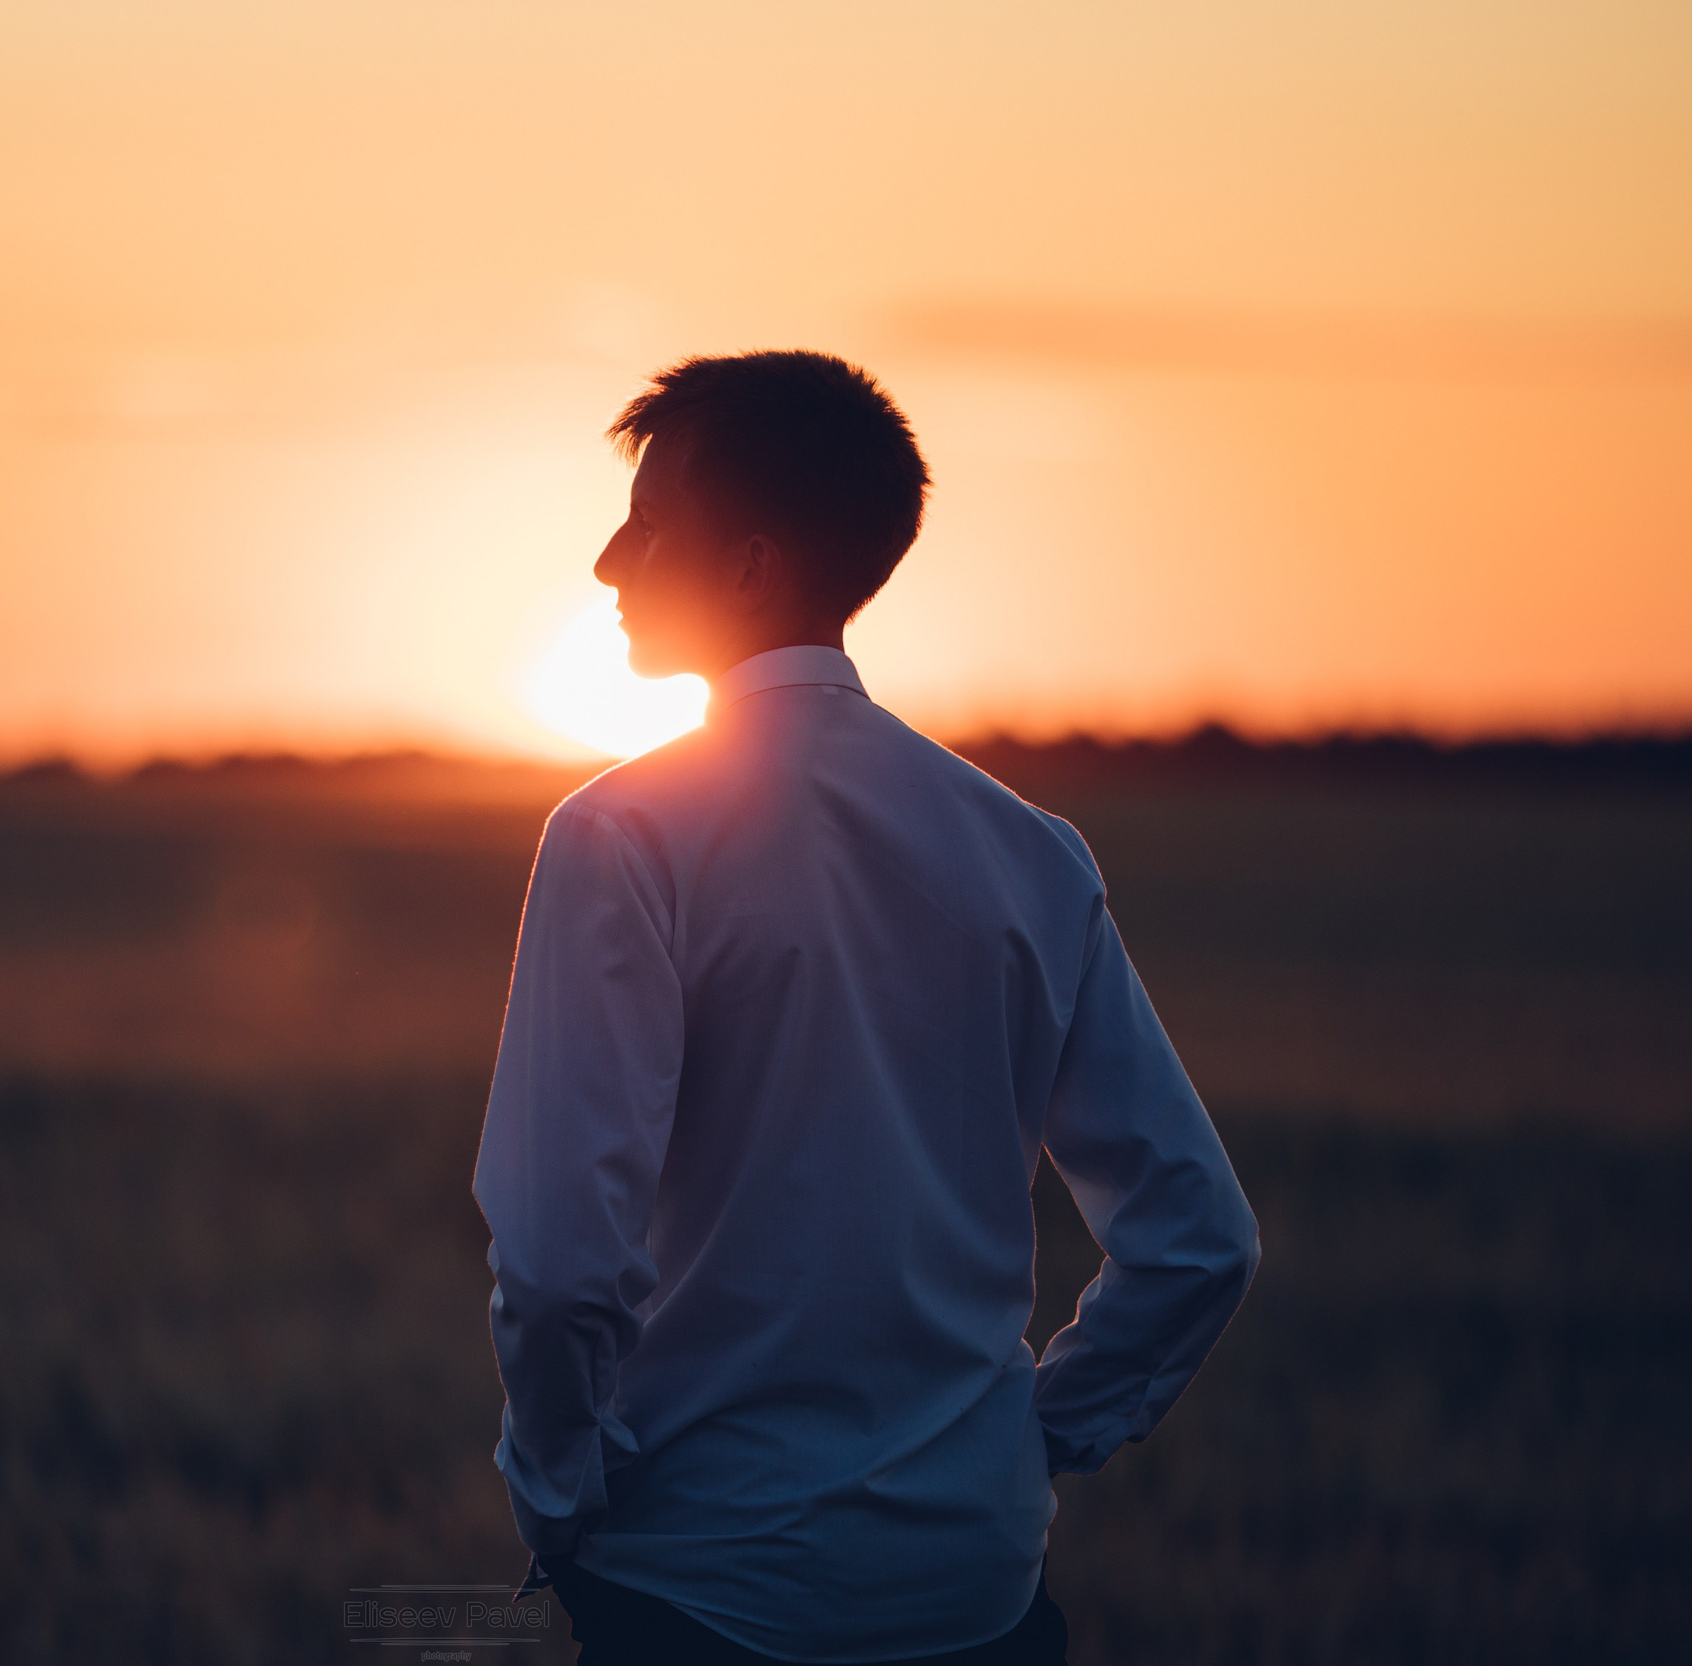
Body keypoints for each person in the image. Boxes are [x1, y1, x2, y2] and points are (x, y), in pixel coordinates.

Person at [472, 351, 1261, 1664]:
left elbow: (560, 1263)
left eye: (649, 525)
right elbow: (1198, 1241)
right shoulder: (1028, 851)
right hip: (980, 1597)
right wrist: (1024, 1437)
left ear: (752, 567)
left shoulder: (620, 839)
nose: (609, 562)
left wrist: (560, 1498)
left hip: (702, 1593)